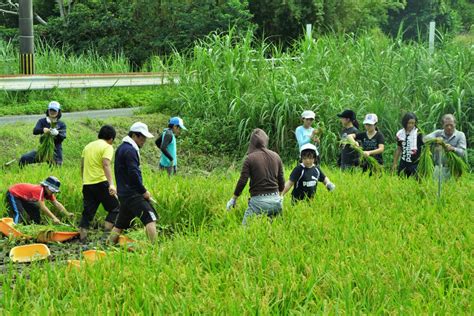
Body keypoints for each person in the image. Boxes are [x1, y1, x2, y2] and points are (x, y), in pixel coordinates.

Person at [109, 122, 158, 244]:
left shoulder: (121, 148)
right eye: (143, 137)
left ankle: (109, 245)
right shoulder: (130, 151)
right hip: (133, 193)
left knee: (120, 224)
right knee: (150, 218)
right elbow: (133, 174)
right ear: (135, 135)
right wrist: (144, 191)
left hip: (124, 193)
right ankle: (155, 249)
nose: (144, 141)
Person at [226, 128, 285, 225]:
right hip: (276, 201)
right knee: (273, 229)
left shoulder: (250, 159)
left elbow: (242, 181)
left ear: (252, 143)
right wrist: (280, 196)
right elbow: (281, 180)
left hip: (258, 203)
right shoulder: (276, 156)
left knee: (244, 231)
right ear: (266, 141)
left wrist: (233, 199)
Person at [78, 125, 119, 241]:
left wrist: (85, 180)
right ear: (111, 138)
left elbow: (82, 165)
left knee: (87, 213)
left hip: (87, 184)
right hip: (101, 182)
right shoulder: (107, 147)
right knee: (115, 208)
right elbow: (106, 164)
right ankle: (105, 237)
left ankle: (83, 239)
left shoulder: (88, 146)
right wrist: (111, 184)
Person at [5, 176, 73, 224]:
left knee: (35, 208)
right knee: (19, 213)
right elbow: (43, 207)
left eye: (54, 191)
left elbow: (56, 203)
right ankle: (14, 229)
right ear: (46, 186)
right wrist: (54, 218)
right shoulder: (40, 190)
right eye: (52, 190)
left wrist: (67, 213)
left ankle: (35, 225)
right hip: (13, 193)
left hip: (24, 197)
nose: (53, 192)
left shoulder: (49, 193)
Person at [19, 101, 67, 166]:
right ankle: (20, 173)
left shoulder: (61, 124)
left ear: (58, 112)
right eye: (51, 110)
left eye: (54, 111)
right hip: (43, 150)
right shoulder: (42, 121)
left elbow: (62, 137)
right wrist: (42, 130)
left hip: (56, 151)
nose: (52, 112)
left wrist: (57, 134)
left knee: (56, 168)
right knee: (24, 158)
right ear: (48, 111)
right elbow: (35, 131)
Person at [424, 114, 467, 178]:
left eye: (451, 125)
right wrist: (435, 139)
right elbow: (425, 139)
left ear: (455, 124)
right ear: (443, 125)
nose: (449, 127)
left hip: (454, 169)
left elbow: (463, 152)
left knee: (453, 187)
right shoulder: (438, 133)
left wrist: (453, 149)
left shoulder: (460, 135)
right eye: (447, 125)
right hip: (439, 168)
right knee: (436, 186)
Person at [392, 112, 424, 177]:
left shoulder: (418, 133)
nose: (411, 125)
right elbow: (399, 149)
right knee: (401, 181)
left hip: (415, 164)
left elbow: (425, 145)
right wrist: (395, 163)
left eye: (413, 123)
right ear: (405, 122)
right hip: (403, 162)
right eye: (409, 123)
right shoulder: (400, 134)